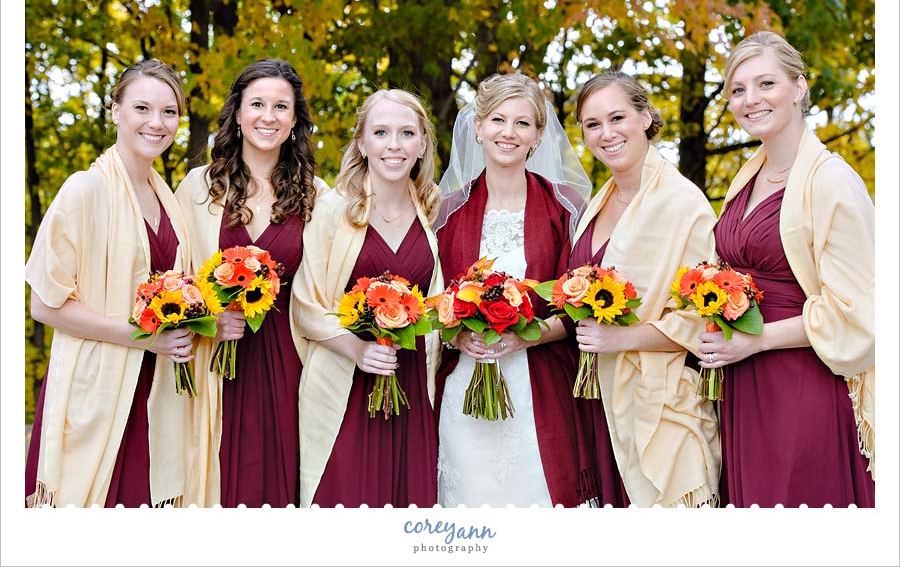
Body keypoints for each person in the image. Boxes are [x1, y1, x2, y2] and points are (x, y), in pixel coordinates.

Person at [698, 31, 874, 507]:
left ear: (798, 88)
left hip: (802, 380)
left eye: (765, 84)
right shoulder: (746, 179)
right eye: (738, 90)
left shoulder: (832, 180)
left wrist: (756, 341)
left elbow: (857, 312)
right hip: (742, 383)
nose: (750, 99)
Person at [25, 59, 193, 507]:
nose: (157, 123)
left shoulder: (166, 198)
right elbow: (44, 305)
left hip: (151, 392)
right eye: (142, 108)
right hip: (95, 392)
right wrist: (145, 338)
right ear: (115, 110)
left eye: (169, 112)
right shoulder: (85, 190)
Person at [434, 72, 596, 508]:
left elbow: (579, 305)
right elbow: (431, 301)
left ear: (538, 136)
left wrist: (528, 334)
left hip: (539, 386)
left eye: (523, 123)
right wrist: (457, 332)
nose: (509, 133)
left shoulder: (566, 207)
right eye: (498, 120)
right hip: (465, 384)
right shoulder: (446, 211)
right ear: (478, 126)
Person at [568, 71, 721, 507]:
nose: (606, 133)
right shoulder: (598, 202)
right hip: (600, 397)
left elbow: (698, 317)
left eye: (617, 117)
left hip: (660, 403)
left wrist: (619, 338)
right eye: (592, 124)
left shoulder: (683, 202)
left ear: (646, 116)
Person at [175, 58, 320, 507]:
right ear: (237, 113)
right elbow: (174, 276)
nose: (268, 116)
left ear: (294, 120)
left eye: (281, 106)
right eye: (257, 103)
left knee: (284, 484)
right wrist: (208, 320)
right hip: (216, 357)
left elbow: (326, 288)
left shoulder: (318, 195)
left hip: (288, 359)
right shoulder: (199, 187)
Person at [291, 89, 443, 508]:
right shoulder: (332, 210)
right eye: (381, 132)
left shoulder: (431, 212)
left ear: (422, 144)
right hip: (346, 383)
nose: (394, 145)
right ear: (362, 142)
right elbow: (306, 305)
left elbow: (437, 305)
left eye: (406, 133)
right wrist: (357, 349)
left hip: (410, 384)